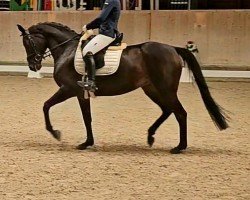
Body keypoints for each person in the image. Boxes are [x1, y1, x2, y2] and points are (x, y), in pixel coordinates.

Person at [77, 0, 121, 92]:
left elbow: (101, 19)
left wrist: (88, 26)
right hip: (107, 32)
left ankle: (91, 82)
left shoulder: (110, 1)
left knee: (87, 51)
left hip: (107, 34)